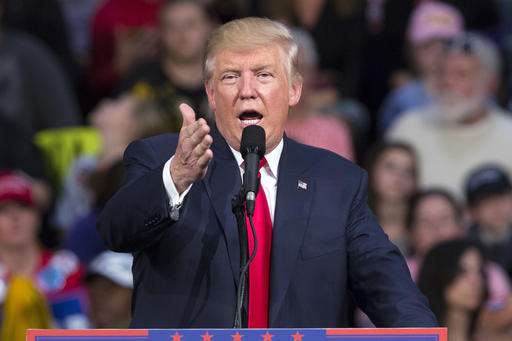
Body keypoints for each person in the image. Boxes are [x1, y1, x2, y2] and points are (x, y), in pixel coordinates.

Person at [98, 17, 437, 328]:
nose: (247, 90)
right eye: (231, 77)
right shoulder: (162, 159)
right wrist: (177, 176)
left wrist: (422, 335)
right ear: (211, 93)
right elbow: (116, 231)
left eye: (264, 75)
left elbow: (389, 288)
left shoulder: (337, 182)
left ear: (294, 90)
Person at [387, 32, 512, 199]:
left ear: (491, 84)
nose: (447, 82)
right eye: (441, 73)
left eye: (461, 75)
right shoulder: (408, 127)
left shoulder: (508, 135)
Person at [0, 171, 88, 329]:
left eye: (23, 207)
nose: (15, 216)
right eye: (3, 210)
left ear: (37, 216)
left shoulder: (66, 268)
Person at [378, 1, 464, 133]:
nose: (438, 53)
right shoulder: (403, 100)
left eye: (448, 45)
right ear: (412, 51)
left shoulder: (479, 96)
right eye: (428, 45)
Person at [118, 0, 214, 118]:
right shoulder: (142, 79)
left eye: (191, 24)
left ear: (209, 28)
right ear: (160, 33)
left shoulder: (228, 77)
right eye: (171, 26)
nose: (181, 34)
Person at [417, 239, 486, 341]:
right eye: (462, 271)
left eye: (479, 270)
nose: (475, 280)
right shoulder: (418, 334)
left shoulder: (496, 334)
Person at [365, 142, 417, 254]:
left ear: (415, 182)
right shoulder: (351, 226)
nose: (399, 177)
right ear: (372, 172)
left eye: (408, 171)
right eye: (390, 167)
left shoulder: (421, 229)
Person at [465, 165, 512, 277]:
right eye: (486, 202)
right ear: (472, 212)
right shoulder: (467, 249)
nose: (496, 207)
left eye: (502, 198)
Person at [86, 251, 133, 328]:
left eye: (109, 288)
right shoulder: (69, 333)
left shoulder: (156, 335)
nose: (98, 297)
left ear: (133, 294)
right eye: (94, 289)